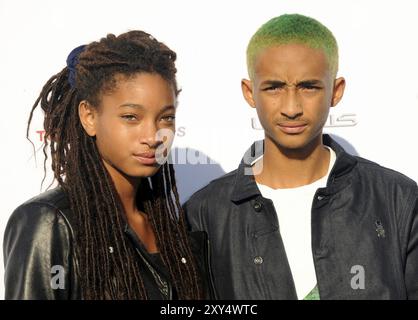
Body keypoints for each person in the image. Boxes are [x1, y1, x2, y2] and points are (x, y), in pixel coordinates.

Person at [184, 14, 418, 299]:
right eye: (274, 87)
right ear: (250, 92)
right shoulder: (205, 213)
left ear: (336, 91)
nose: (291, 108)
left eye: (308, 87)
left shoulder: (398, 199)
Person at [3, 30, 215, 300]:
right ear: (89, 116)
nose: (152, 136)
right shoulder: (49, 222)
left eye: (166, 118)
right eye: (131, 117)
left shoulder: (172, 228)